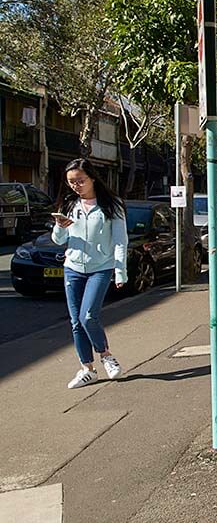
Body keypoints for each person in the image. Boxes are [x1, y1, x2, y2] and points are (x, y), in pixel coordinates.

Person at [52, 159, 127, 389]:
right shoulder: (69, 204)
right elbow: (58, 240)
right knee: (76, 322)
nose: (76, 185)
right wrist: (59, 226)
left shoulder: (111, 205)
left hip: (100, 268)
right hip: (73, 268)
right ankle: (87, 369)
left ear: (92, 178)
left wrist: (120, 270)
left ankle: (106, 355)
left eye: (80, 180)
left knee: (88, 316)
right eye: (71, 182)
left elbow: (120, 240)